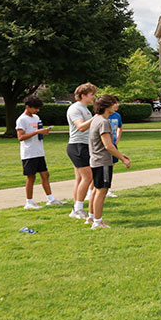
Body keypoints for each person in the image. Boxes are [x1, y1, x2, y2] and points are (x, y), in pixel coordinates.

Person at [87, 94, 131, 229]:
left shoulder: (96, 120)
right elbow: (108, 145)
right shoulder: (103, 122)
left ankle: (92, 217)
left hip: (96, 160)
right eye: (113, 103)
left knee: (96, 189)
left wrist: (119, 154)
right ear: (106, 106)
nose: (116, 105)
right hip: (102, 161)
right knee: (102, 191)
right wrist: (122, 158)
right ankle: (97, 222)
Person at [16, 95, 64, 209]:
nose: (37, 110)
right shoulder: (21, 119)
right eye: (35, 108)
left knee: (45, 174)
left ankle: (51, 199)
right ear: (28, 107)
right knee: (31, 177)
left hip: (39, 151)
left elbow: (37, 131)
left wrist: (43, 132)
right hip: (29, 153)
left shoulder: (36, 118)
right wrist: (37, 132)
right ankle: (29, 202)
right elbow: (20, 137)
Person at [66, 83, 97, 219]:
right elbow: (80, 127)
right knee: (88, 177)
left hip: (83, 145)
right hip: (78, 146)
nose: (93, 97)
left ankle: (76, 208)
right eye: (91, 94)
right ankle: (78, 209)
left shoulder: (85, 109)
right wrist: (97, 117)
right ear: (83, 95)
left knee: (80, 178)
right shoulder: (75, 108)